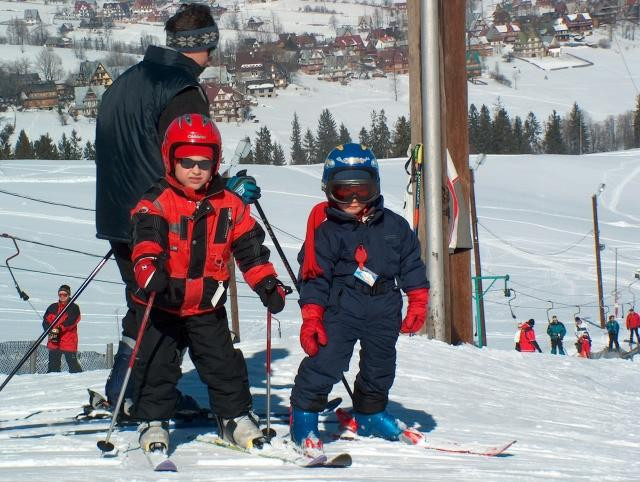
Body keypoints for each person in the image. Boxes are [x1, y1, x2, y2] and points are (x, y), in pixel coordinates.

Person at [94, 3, 260, 409]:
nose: (212, 56)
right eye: (212, 46)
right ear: (203, 45)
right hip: (165, 220)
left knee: (145, 305)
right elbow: (191, 160)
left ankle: (128, 390)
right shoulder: (182, 90)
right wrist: (228, 190)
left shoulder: (124, 82)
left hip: (120, 213)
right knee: (174, 310)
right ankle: (139, 395)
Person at [129, 113, 288, 454]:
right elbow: (145, 241)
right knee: (157, 363)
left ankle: (234, 417)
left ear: (215, 163)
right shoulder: (157, 201)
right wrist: (148, 269)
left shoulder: (229, 205)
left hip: (205, 305)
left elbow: (251, 251)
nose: (196, 170)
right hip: (163, 301)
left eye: (204, 162)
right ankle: (153, 420)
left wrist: (266, 284)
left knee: (223, 364)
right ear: (171, 159)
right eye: (187, 162)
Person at [288, 143, 430, 456]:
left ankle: (370, 412)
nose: (353, 200)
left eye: (362, 191)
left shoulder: (394, 226)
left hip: (384, 306)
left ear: (375, 188)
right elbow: (314, 277)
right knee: (327, 361)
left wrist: (418, 300)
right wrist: (312, 317)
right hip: (341, 307)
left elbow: (411, 264)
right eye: (344, 191)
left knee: (380, 365)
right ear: (329, 191)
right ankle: (303, 416)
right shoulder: (325, 233)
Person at [43, 285, 82, 373]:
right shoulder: (52, 307)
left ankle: (79, 381)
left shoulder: (73, 307)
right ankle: (52, 382)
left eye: (65, 295)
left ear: (68, 295)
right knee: (53, 366)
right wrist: (49, 330)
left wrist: (59, 329)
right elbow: (45, 320)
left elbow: (72, 321)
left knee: (73, 365)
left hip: (68, 339)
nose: (62, 297)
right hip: (54, 336)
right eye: (60, 295)